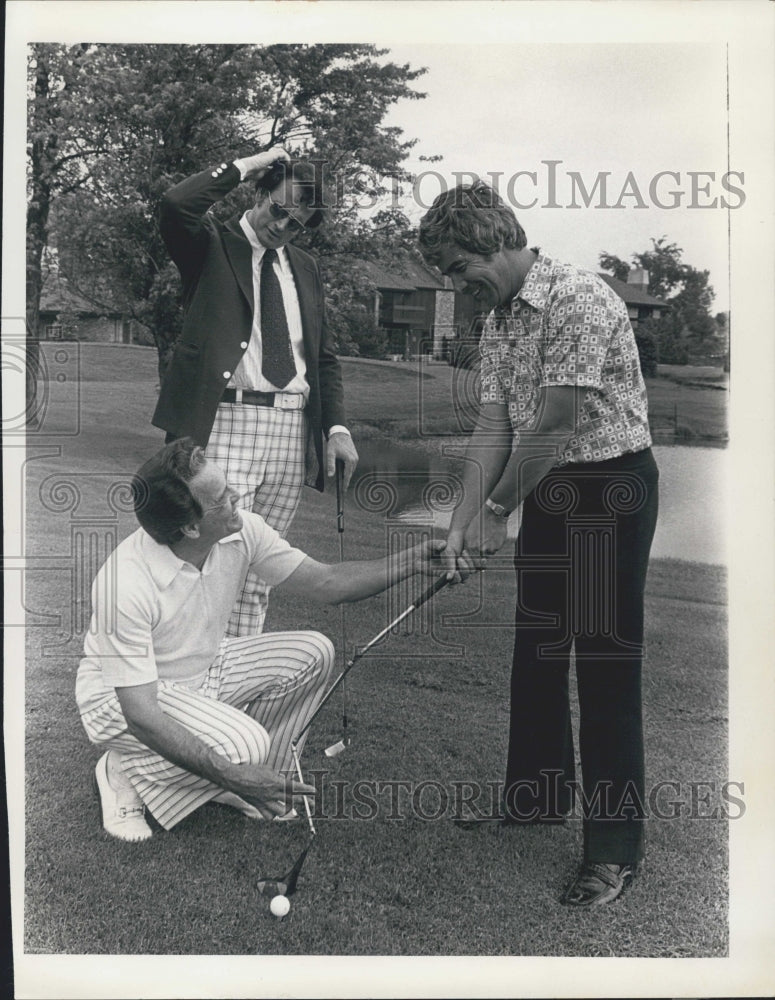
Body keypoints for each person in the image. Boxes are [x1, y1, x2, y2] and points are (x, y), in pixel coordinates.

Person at [419, 181, 659, 908]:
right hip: (550, 488)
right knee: (539, 648)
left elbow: (554, 423)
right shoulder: (498, 320)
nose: (460, 289)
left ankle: (614, 850)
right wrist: (460, 520)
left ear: (493, 238)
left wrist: (496, 510)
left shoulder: (581, 298)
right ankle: (534, 798)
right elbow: (493, 426)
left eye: (461, 269)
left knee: (604, 663)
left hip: (609, 488)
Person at [76, 438, 444, 843]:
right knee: (247, 746)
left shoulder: (243, 530)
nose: (236, 496)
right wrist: (232, 772)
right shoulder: (122, 583)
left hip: (203, 671)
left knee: (314, 652)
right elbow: (141, 714)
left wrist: (411, 561)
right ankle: (123, 771)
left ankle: (255, 782)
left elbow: (328, 582)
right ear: (191, 526)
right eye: (222, 498)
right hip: (122, 700)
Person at [153, 147, 359, 637]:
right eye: (279, 210)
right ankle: (183, 683)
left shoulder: (305, 267)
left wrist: (336, 427)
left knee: (258, 570)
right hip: (225, 421)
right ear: (261, 192)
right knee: (205, 557)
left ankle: (232, 696)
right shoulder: (209, 244)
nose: (282, 227)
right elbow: (175, 204)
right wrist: (253, 161)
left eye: (297, 224)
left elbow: (322, 357)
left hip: (291, 430)